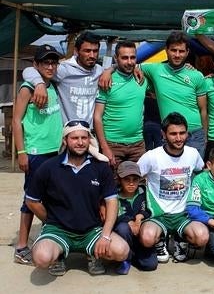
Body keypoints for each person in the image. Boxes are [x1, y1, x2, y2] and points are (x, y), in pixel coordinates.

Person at [25, 120, 129, 276]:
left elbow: (112, 202)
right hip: (58, 230)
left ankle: (93, 254)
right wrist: (51, 219)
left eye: (84, 138)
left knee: (122, 251)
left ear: (89, 140)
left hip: (91, 230)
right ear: (65, 140)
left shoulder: (100, 167)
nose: (80, 142)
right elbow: (31, 201)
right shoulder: (49, 167)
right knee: (41, 258)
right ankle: (58, 256)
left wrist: (106, 235)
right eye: (74, 138)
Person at [100, 31, 208, 157]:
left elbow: (203, 109)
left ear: (187, 52)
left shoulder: (197, 75)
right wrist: (108, 70)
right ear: (166, 50)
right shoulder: (154, 69)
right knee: (169, 174)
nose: (177, 55)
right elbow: (128, 65)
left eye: (181, 51)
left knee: (194, 173)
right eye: (174, 50)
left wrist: (204, 136)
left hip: (194, 134)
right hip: (169, 134)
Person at [12, 44, 63, 265]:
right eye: (46, 63)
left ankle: (47, 234)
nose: (50, 67)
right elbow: (15, 121)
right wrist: (21, 152)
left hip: (54, 151)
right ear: (36, 65)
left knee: (49, 196)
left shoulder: (52, 86)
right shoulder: (28, 88)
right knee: (30, 199)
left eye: (53, 62)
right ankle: (21, 246)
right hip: (35, 152)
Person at [137, 112, 209, 264]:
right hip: (158, 215)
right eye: (173, 134)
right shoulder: (151, 156)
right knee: (147, 238)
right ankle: (160, 240)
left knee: (202, 237)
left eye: (182, 133)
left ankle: (179, 239)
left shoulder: (193, 154)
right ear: (163, 134)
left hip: (183, 214)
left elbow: (202, 173)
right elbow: (132, 178)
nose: (178, 138)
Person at [23, 31, 103, 126]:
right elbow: (28, 70)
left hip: (88, 133)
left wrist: (110, 69)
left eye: (95, 51)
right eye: (87, 51)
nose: (92, 55)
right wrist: (39, 84)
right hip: (68, 133)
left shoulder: (99, 71)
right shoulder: (64, 69)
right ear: (76, 51)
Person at [94, 40, 147, 167]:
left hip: (138, 144)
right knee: (113, 184)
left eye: (132, 57)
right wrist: (105, 147)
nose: (129, 62)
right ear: (116, 58)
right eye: (124, 58)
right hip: (113, 144)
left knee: (139, 184)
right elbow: (97, 117)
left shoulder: (141, 79)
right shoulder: (107, 80)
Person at [112, 161, 156, 274]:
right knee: (123, 227)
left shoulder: (144, 192)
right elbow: (114, 214)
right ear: (119, 180)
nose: (131, 183)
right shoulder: (114, 195)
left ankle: (134, 255)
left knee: (150, 265)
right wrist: (129, 221)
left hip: (141, 233)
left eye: (135, 180)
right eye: (127, 179)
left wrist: (139, 217)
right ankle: (125, 257)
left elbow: (150, 208)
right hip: (123, 235)